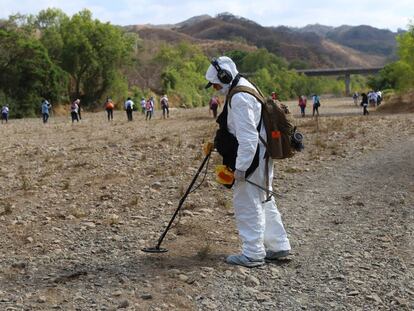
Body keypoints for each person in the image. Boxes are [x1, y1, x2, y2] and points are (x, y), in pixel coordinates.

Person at [205, 56, 291, 268]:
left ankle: (252, 254)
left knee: (247, 202)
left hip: (252, 157)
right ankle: (278, 245)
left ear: (225, 77)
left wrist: (240, 170)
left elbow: (248, 139)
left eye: (216, 83)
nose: (215, 88)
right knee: (264, 198)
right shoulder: (244, 86)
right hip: (262, 155)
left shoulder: (240, 97)